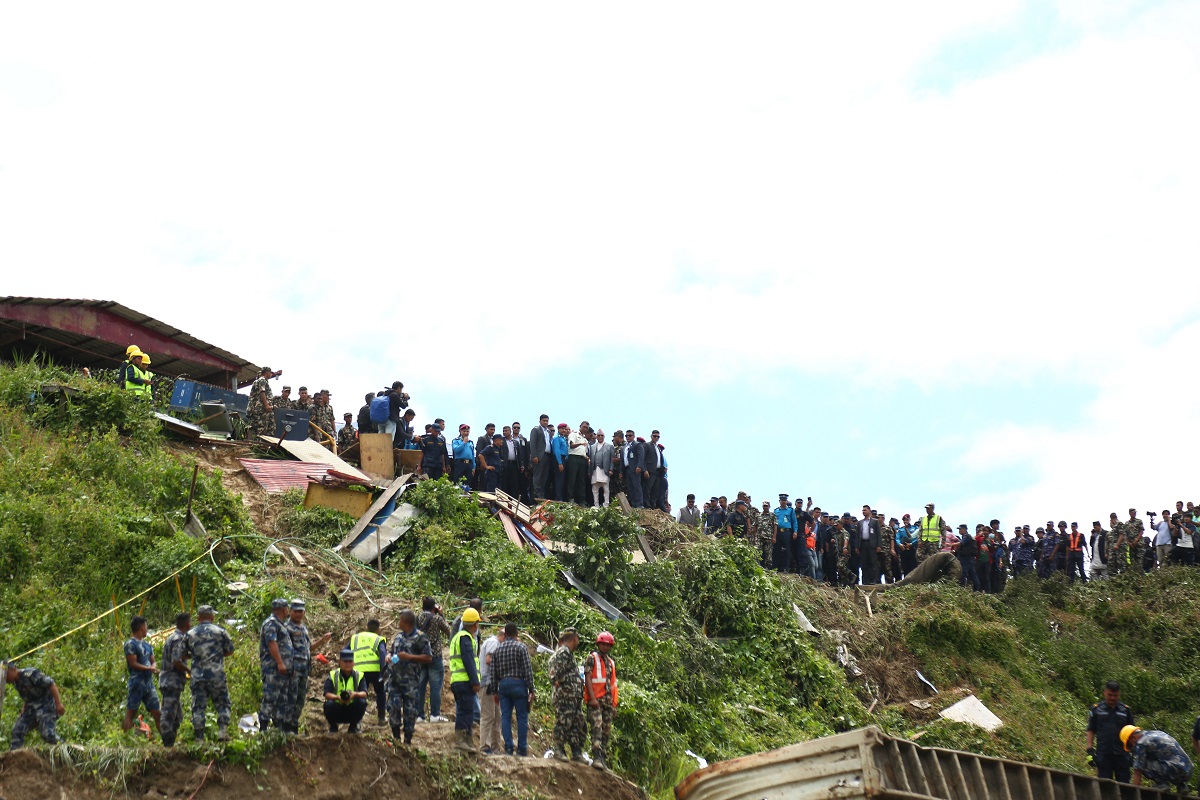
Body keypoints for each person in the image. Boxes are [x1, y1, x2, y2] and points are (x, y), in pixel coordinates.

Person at [184, 604, 235, 741]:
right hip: (216, 674)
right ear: (212, 617)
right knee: (223, 703)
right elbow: (230, 650)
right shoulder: (221, 632)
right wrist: (217, 655)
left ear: (198, 617)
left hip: (198, 676)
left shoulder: (190, 634)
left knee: (198, 707)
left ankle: (199, 738)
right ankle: (223, 731)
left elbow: (183, 654)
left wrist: (196, 656)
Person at [489, 622, 536, 757]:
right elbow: (527, 670)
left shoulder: (498, 650)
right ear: (516, 634)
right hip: (518, 684)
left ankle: (508, 748)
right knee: (522, 717)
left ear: (505, 634)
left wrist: (494, 691)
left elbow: (493, 672)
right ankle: (522, 749)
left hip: (503, 685)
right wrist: (531, 689)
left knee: (506, 717)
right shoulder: (521, 647)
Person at [285, 600, 331, 735]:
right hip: (292, 670)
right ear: (290, 611)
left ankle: (293, 727)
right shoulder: (287, 628)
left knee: (300, 699)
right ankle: (286, 729)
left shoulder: (303, 628)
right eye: (296, 611)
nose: (299, 614)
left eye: (301, 611)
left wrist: (322, 641)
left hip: (304, 670)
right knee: (290, 699)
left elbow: (308, 649)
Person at [387, 609, 432, 745]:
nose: (398, 622)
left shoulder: (420, 637)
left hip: (410, 681)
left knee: (410, 710)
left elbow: (429, 657)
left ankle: (407, 740)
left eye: (400, 620)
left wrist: (410, 657)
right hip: (394, 679)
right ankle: (395, 738)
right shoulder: (399, 636)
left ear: (406, 622)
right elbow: (393, 652)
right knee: (393, 706)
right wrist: (389, 657)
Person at [4, 660, 64, 749]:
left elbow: (51, 684)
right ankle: (14, 756)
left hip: (46, 706)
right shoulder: (15, 682)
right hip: (31, 708)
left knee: (48, 735)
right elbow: (27, 696)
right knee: (17, 730)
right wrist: (23, 711)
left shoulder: (30, 674)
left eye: (6, 675)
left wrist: (58, 704)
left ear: (13, 669)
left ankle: (65, 748)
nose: (6, 679)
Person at [549, 627, 587, 763]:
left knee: (577, 723)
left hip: (573, 697)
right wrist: (559, 683)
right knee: (563, 722)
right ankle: (558, 749)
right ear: (575, 639)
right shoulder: (564, 652)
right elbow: (555, 672)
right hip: (566, 696)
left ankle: (576, 752)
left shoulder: (568, 653)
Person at [448, 608, 482, 751]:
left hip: (458, 680)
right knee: (465, 711)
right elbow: (468, 661)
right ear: (475, 625)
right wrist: (475, 681)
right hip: (464, 680)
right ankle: (462, 740)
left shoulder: (458, 637)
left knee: (466, 710)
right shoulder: (465, 639)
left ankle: (467, 740)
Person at [122, 615, 161, 738]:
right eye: (146, 627)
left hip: (149, 684)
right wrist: (149, 668)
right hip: (137, 683)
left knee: (157, 712)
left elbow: (153, 660)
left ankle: (166, 742)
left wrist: (153, 666)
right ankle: (125, 739)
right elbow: (133, 663)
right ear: (141, 628)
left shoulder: (148, 645)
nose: (147, 629)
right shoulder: (130, 644)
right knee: (131, 712)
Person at [1086, 681, 1134, 782]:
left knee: (1124, 786)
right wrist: (1089, 750)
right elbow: (1091, 730)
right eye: (1110, 695)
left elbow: (1132, 733)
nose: (1112, 698)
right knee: (1105, 786)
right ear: (1104, 692)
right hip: (1103, 755)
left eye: (1115, 695)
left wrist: (1134, 753)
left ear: (1119, 694)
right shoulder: (1096, 709)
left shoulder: (1125, 710)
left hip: (1122, 755)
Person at [584, 631, 618, 771]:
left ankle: (602, 759)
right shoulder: (591, 658)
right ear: (599, 644)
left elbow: (613, 684)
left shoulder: (611, 662)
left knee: (606, 731)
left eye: (608, 645)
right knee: (596, 727)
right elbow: (588, 678)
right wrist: (592, 698)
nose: (606, 647)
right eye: (603, 644)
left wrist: (614, 704)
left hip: (608, 703)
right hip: (595, 701)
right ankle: (597, 756)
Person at [259, 598, 294, 731]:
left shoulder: (280, 624)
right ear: (284, 609)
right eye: (287, 608)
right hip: (273, 668)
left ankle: (279, 726)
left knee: (282, 698)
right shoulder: (271, 623)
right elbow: (271, 643)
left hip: (283, 669)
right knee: (270, 696)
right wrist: (279, 662)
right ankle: (263, 727)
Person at [1123, 725, 1193, 790]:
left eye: (1130, 744)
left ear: (1133, 737)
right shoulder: (1157, 733)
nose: (1132, 746)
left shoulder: (1141, 743)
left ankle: (1162, 784)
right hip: (1188, 770)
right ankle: (1182, 786)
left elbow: (1137, 772)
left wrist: (1134, 792)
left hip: (1172, 769)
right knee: (1165, 759)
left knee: (1142, 764)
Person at [415, 597, 451, 723]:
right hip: (434, 655)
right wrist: (442, 615)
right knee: (435, 687)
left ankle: (419, 716)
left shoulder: (417, 618)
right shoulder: (437, 619)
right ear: (434, 608)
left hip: (421, 656)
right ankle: (435, 715)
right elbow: (449, 631)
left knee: (420, 686)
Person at [158, 612, 191, 747]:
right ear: (187, 624)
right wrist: (189, 671)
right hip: (171, 682)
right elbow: (176, 660)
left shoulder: (174, 637)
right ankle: (166, 745)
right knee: (169, 714)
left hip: (170, 681)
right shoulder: (179, 639)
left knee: (177, 717)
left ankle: (170, 744)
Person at [349, 619, 388, 726]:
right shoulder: (379, 639)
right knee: (380, 692)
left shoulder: (355, 638)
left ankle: (357, 720)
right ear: (378, 630)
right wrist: (383, 672)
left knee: (360, 695)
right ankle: (381, 718)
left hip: (358, 671)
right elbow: (383, 655)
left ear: (367, 628)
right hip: (375, 671)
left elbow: (345, 651)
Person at [323, 648, 368, 733]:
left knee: (361, 702)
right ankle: (333, 727)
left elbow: (364, 693)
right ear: (340, 662)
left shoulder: (359, 675)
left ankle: (353, 726)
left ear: (353, 663)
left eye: (350, 662)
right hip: (337, 707)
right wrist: (337, 697)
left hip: (352, 709)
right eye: (345, 661)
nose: (348, 664)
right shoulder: (333, 675)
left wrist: (354, 695)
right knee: (328, 704)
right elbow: (326, 693)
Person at [478, 622, 506, 754]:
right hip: (487, 683)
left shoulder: (495, 643)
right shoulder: (494, 643)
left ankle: (495, 747)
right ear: (504, 636)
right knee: (488, 716)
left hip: (492, 685)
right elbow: (489, 660)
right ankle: (485, 746)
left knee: (496, 717)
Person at [529, 414, 554, 501]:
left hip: (547, 455)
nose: (545, 422)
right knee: (537, 476)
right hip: (539, 456)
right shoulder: (536, 429)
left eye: (547, 421)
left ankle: (542, 494)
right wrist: (534, 456)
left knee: (544, 476)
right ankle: (537, 493)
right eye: (544, 420)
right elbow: (532, 443)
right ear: (540, 421)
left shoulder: (548, 431)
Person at [246, 365, 275, 439]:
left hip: (258, 408)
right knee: (261, 428)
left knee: (257, 426)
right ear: (267, 372)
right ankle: (259, 444)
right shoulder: (262, 380)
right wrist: (266, 405)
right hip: (261, 408)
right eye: (270, 373)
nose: (271, 374)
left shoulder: (259, 381)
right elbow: (262, 392)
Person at [589, 430, 614, 507]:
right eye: (599, 435)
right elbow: (590, 459)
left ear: (604, 436)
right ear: (596, 436)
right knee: (595, 488)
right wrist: (589, 471)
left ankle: (606, 504)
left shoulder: (609, 446)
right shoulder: (592, 447)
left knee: (606, 488)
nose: (600, 437)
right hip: (595, 470)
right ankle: (596, 505)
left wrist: (611, 469)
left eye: (602, 435)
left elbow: (612, 459)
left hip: (605, 470)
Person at [772, 494, 796, 572]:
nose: (783, 502)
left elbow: (794, 521)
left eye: (784, 500)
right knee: (777, 550)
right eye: (782, 500)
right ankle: (777, 568)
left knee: (787, 550)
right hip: (778, 532)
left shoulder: (790, 510)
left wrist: (795, 531)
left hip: (786, 532)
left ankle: (786, 567)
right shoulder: (776, 510)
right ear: (779, 501)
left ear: (786, 501)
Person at [954, 523, 980, 591]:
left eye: (960, 529)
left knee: (963, 574)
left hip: (966, 559)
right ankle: (976, 590)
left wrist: (949, 544)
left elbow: (961, 543)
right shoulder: (967, 537)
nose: (959, 531)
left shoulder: (966, 536)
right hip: (969, 559)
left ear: (964, 529)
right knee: (972, 574)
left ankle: (961, 590)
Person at [623, 430, 645, 508]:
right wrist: (621, 471)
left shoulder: (637, 445)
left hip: (635, 468)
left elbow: (641, 457)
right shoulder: (625, 447)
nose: (628, 437)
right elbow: (623, 459)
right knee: (630, 487)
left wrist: (639, 466)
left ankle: (639, 504)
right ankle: (633, 504)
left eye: (630, 435)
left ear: (633, 436)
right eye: (626, 436)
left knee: (637, 486)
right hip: (627, 469)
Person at [551, 423, 571, 502]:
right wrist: (560, 463)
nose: (563, 430)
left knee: (563, 479)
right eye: (562, 429)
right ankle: (558, 498)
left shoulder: (564, 439)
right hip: (559, 459)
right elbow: (557, 451)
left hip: (564, 459)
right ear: (558, 429)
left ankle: (562, 497)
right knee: (559, 479)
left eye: (565, 429)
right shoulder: (557, 438)